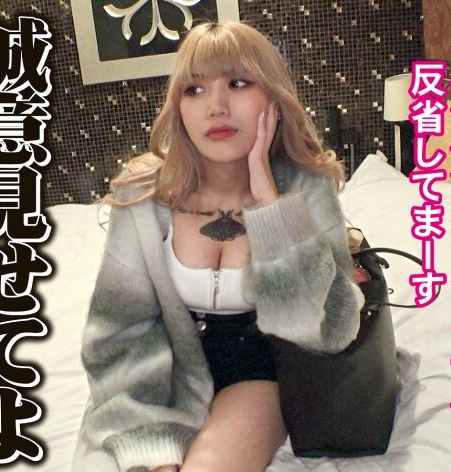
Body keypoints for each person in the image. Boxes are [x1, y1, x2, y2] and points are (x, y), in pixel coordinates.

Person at [73, 20, 364, 472]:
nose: (216, 107)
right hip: (155, 378)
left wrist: (270, 205)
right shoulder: (143, 193)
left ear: (272, 98)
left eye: (238, 83)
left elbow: (328, 331)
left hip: (256, 375)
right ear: (178, 106)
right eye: (194, 90)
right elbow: (119, 332)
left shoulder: (305, 186)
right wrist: (151, 444)